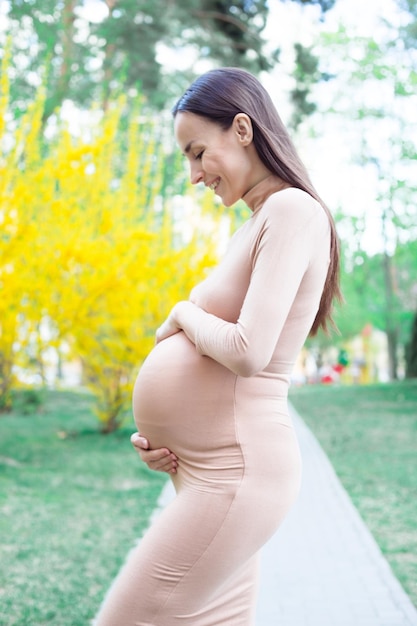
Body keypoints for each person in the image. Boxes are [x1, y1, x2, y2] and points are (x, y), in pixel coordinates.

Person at [95, 67, 341, 626]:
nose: (193, 174)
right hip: (211, 471)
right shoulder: (258, 221)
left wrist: (184, 311)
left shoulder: (291, 210)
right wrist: (162, 436)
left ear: (242, 129)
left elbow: (251, 351)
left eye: (198, 151)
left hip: (238, 472)